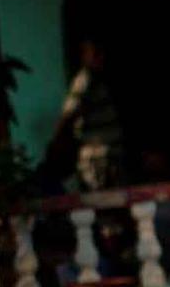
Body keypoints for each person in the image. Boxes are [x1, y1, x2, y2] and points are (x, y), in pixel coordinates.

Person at [50, 38, 124, 191]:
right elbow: (68, 115)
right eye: (94, 54)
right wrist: (55, 146)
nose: (100, 58)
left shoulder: (102, 82)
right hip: (96, 157)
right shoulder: (83, 81)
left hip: (110, 155)